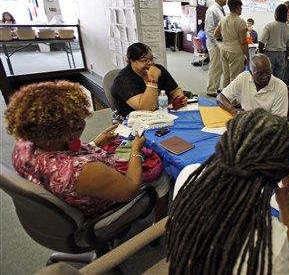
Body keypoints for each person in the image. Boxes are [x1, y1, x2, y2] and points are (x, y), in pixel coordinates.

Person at [4, 80, 170, 220]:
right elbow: (130, 188)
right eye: (79, 124)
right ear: (63, 133)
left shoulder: (24, 144)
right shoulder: (84, 170)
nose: (83, 125)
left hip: (66, 197)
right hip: (99, 210)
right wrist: (135, 150)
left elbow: (68, 153)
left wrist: (97, 142)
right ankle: (160, 226)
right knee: (160, 176)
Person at [166, 109, 289, 275]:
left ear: (224, 144)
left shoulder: (188, 176)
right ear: (280, 172)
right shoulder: (269, 243)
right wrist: (285, 207)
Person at [111, 42, 187, 118]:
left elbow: (175, 90)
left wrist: (178, 100)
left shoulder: (158, 69)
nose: (150, 63)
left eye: (151, 59)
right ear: (132, 61)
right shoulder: (122, 80)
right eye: (144, 60)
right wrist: (153, 79)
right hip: (134, 121)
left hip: (161, 114)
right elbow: (146, 109)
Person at [217, 54, 288, 117]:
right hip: (245, 122)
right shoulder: (244, 77)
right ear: (251, 73)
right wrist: (233, 110)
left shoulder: (280, 87)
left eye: (268, 72)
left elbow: (278, 121)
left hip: (267, 127)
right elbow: (220, 97)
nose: (265, 76)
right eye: (259, 73)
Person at [214, 0, 249, 87]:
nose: (241, 10)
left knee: (226, 76)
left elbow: (216, 34)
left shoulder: (224, 19)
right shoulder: (241, 22)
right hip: (236, 51)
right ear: (237, 8)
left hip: (224, 49)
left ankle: (224, 97)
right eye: (241, 8)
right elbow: (243, 42)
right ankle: (233, 100)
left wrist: (226, 36)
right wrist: (248, 56)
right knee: (235, 77)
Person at [258, 4, 289, 82]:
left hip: (269, 54)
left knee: (267, 78)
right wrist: (285, 57)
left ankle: (267, 93)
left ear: (276, 14)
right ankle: (276, 94)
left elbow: (261, 42)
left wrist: (261, 53)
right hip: (282, 55)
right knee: (278, 81)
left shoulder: (270, 26)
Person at [206, 0, 228, 97]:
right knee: (215, 66)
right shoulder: (212, 10)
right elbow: (209, 30)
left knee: (219, 67)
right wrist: (215, 44)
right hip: (214, 42)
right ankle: (211, 89)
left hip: (221, 42)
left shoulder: (221, 10)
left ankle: (215, 87)